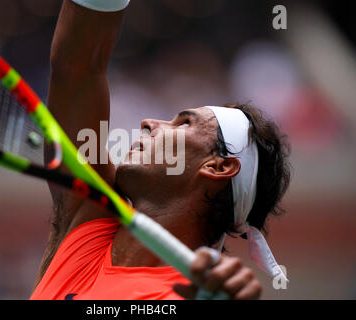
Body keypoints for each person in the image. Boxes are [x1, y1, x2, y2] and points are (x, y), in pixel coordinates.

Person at [30, 0, 290, 300]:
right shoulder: (87, 220)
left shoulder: (190, 296)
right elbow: (77, 67)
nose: (148, 122)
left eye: (183, 124)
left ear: (217, 166)